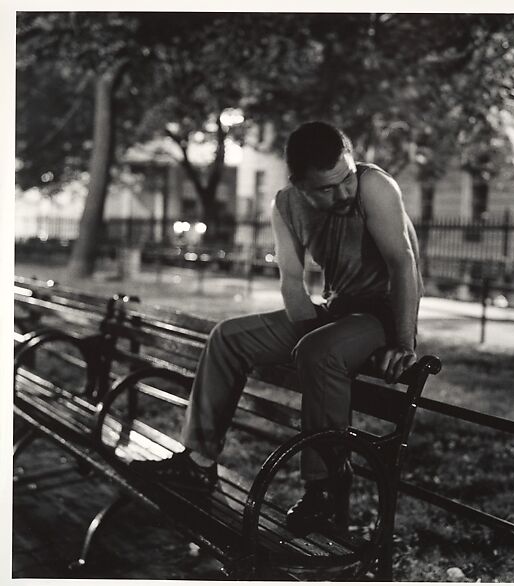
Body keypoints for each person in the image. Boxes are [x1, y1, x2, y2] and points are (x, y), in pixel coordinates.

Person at [131, 121, 423, 536]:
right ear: (300, 185)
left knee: (319, 351)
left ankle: (325, 492)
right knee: (228, 337)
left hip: (379, 314)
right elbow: (292, 280)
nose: (343, 193)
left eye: (346, 179)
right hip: (335, 311)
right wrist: (307, 331)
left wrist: (403, 343)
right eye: (326, 189)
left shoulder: (374, 185)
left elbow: (403, 262)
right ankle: (197, 464)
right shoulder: (286, 205)